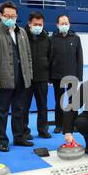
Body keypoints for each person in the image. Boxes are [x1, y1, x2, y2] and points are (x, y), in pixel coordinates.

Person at [0, 1, 34, 152]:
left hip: (22, 77)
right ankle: (2, 140)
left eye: (13, 16)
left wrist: (29, 74)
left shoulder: (22, 32)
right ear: (0, 15)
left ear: (17, 16)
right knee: (2, 111)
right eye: (7, 15)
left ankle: (19, 137)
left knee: (19, 109)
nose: (10, 18)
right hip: (3, 79)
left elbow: (28, 56)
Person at [50, 14, 83, 134]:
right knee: (58, 101)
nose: (64, 25)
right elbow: (49, 58)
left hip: (72, 75)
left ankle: (73, 124)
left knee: (72, 101)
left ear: (69, 24)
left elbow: (79, 58)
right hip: (56, 75)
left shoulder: (76, 38)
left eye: (66, 23)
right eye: (62, 23)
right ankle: (58, 124)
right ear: (57, 25)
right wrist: (50, 76)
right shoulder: (52, 38)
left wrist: (79, 76)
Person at [23, 11, 52, 140]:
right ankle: (24, 131)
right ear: (29, 23)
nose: (38, 26)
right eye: (35, 24)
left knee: (43, 106)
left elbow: (50, 57)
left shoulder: (47, 37)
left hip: (42, 78)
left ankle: (43, 130)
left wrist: (49, 75)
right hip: (26, 78)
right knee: (24, 106)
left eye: (40, 24)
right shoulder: (21, 36)